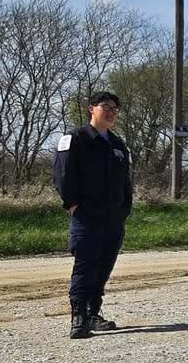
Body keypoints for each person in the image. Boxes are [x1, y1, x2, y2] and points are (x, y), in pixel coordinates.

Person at [53, 90, 134, 338]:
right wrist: (72, 204)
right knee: (86, 266)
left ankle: (92, 313)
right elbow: (63, 174)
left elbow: (126, 182)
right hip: (87, 215)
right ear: (91, 109)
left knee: (104, 266)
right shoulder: (74, 139)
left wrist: (124, 210)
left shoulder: (118, 145)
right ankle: (78, 317)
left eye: (114, 109)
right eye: (105, 106)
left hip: (113, 218)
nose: (110, 111)